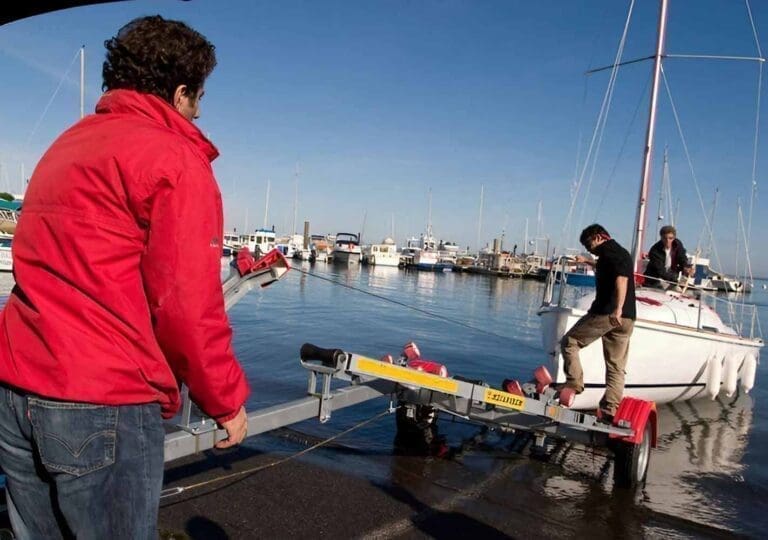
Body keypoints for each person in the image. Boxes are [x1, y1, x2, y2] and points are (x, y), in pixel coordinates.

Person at [0, 16, 248, 538]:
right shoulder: (174, 158)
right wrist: (225, 401)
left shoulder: (65, 145)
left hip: (16, 389)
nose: (200, 113)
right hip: (103, 400)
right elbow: (185, 307)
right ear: (181, 93)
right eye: (199, 99)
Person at [559, 224, 636, 421]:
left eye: (588, 244)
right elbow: (609, 268)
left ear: (599, 237)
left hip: (608, 313)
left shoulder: (610, 252)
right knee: (616, 366)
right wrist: (587, 261)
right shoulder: (616, 254)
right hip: (627, 318)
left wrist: (617, 309)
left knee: (570, 342)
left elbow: (621, 279)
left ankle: (574, 383)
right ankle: (610, 408)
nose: (588, 248)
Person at [645, 225, 693, 289]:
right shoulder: (654, 251)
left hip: (671, 277)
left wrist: (686, 267)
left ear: (674, 238)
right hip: (655, 279)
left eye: (670, 238)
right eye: (665, 238)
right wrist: (676, 280)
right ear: (661, 238)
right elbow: (661, 271)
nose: (667, 241)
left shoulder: (677, 244)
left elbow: (682, 257)